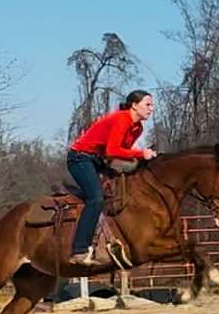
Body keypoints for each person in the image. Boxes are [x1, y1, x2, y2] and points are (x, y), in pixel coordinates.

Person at [66, 90, 156, 266]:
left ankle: (109, 241)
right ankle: (79, 250)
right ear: (134, 105)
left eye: (152, 105)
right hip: (80, 158)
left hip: (97, 160)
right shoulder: (122, 119)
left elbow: (120, 153)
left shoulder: (138, 128)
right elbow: (113, 150)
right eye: (147, 104)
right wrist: (141, 154)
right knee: (96, 199)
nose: (151, 109)